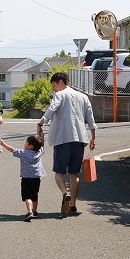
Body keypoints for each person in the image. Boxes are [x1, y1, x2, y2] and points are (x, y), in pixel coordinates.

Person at [37, 72, 96, 217]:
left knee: (59, 172)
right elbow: (90, 118)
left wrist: (41, 122)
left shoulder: (60, 95)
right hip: (80, 139)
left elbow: (52, 109)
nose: (55, 89)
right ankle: (73, 205)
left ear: (60, 82)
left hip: (62, 139)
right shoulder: (83, 97)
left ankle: (65, 194)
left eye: (54, 85)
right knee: (74, 173)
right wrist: (93, 137)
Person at [0, 135, 46, 222]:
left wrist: (3, 144)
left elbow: (12, 150)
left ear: (30, 146)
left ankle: (29, 211)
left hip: (26, 178)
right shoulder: (39, 152)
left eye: (26, 142)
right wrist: (42, 136)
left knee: (27, 197)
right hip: (36, 178)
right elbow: (42, 146)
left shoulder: (23, 153)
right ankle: (34, 211)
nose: (25, 143)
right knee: (35, 196)